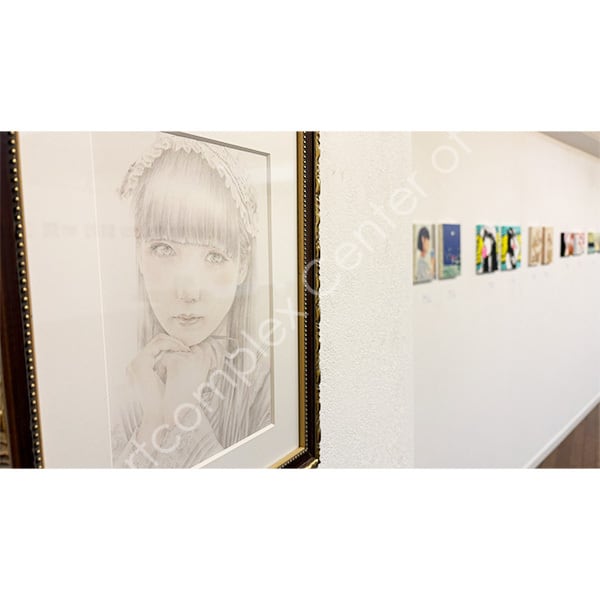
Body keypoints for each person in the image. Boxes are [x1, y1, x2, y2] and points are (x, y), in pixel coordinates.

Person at [110, 133, 271, 468]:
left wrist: (182, 416)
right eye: (164, 249)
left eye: (214, 256)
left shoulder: (267, 381)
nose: (188, 292)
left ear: (242, 263)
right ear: (139, 252)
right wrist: (152, 422)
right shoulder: (121, 382)